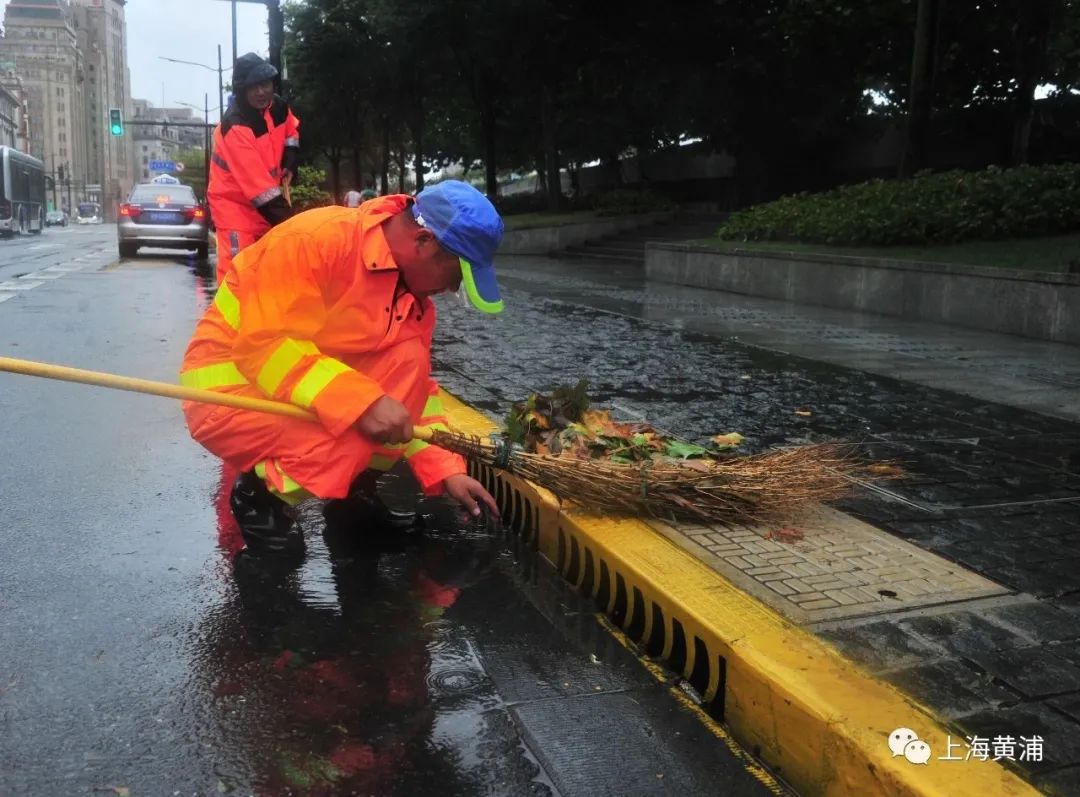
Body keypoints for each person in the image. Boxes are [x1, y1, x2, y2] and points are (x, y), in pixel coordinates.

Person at [180, 180, 503, 555]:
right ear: (424, 242)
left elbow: (415, 394)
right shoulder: (316, 241)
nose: (451, 290)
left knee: (404, 367)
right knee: (357, 429)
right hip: (230, 392)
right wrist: (362, 403)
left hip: (286, 383)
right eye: (456, 275)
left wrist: (448, 469)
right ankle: (260, 496)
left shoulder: (409, 296)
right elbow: (263, 348)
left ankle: (354, 500)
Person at [208, 52, 300, 283]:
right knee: (237, 272)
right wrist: (295, 227)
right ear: (242, 91)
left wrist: (290, 161)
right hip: (235, 207)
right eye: (253, 87)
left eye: (265, 84)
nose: (261, 92)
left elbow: (291, 133)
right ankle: (228, 320)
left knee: (269, 271)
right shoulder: (236, 127)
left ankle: (259, 317)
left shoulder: (279, 108)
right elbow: (261, 192)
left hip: (266, 201)